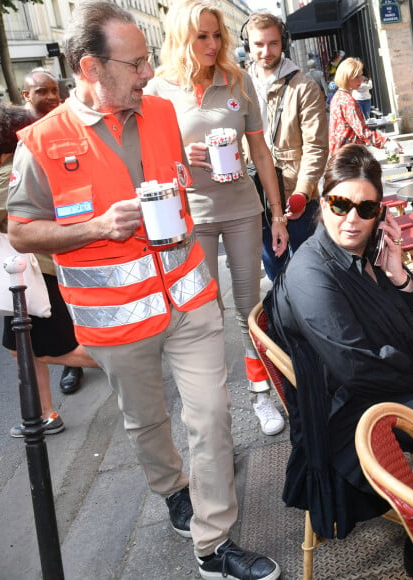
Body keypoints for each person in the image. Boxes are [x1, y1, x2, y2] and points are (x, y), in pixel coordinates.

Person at [6, 3, 281, 579]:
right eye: (135, 63)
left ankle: (213, 544)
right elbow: (21, 229)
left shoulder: (159, 113)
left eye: (148, 59)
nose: (148, 71)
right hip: (116, 320)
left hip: (188, 299)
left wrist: (194, 163)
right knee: (148, 422)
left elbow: (177, 174)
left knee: (210, 416)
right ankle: (171, 488)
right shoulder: (42, 140)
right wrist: (98, 227)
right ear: (90, 67)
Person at [265, 144, 413, 578]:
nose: (352, 218)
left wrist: (396, 273)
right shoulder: (312, 274)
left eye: (366, 207)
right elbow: (357, 368)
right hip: (353, 404)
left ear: (379, 211)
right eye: (341, 204)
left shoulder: (365, 252)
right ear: (325, 203)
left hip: (388, 368)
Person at [145, 0, 289, 437]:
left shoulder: (238, 80)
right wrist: (179, 158)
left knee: (249, 307)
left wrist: (277, 214)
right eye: (201, 36)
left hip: (242, 207)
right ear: (182, 38)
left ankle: (261, 391)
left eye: (216, 35)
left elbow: (261, 152)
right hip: (192, 214)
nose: (211, 44)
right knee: (206, 311)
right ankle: (213, 405)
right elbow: (150, 163)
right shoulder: (157, 90)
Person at [0, 104, 97, 438]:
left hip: (31, 272)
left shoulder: (6, 172)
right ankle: (43, 415)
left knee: (57, 348)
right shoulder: (21, 162)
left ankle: (129, 365)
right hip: (24, 272)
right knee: (19, 346)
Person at [245, 11, 328, 284]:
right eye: (258, 44)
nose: (265, 51)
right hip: (258, 198)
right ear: (248, 45)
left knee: (311, 274)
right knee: (277, 277)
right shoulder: (238, 87)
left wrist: (302, 194)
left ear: (284, 43)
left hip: (298, 197)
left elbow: (316, 147)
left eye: (273, 43)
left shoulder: (304, 87)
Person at [22, 67, 85, 395]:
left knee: (77, 303)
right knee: (58, 310)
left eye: (52, 91)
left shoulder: (69, 121)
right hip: (42, 240)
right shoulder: (18, 133)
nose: (48, 97)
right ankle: (73, 366)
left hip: (75, 223)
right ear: (25, 96)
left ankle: (95, 355)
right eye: (40, 92)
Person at [328, 57, 401, 157]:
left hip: (340, 154)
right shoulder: (348, 101)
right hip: (349, 156)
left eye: (361, 75)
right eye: (357, 77)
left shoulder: (337, 97)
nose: (361, 79)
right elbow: (362, 131)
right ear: (347, 78)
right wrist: (386, 142)